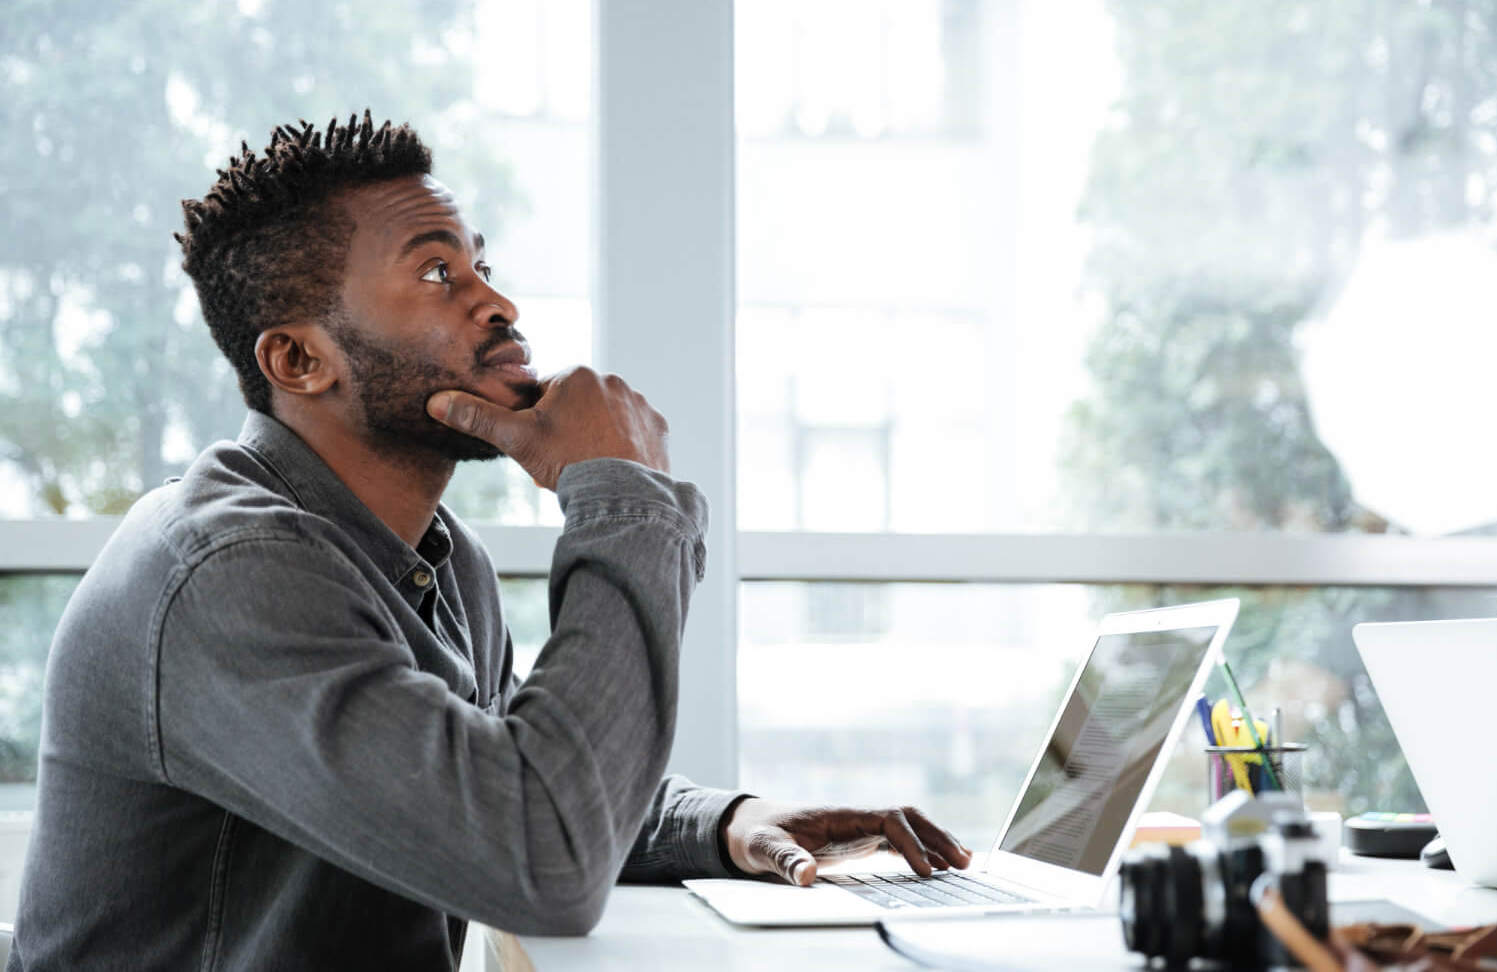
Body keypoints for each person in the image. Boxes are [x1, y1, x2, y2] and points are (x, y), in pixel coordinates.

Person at [7, 112, 969, 970]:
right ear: (299, 360)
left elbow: (491, 784)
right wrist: (620, 493)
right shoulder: (228, 572)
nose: (496, 303)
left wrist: (726, 824)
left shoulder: (435, 557)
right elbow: (534, 856)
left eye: (482, 265)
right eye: (436, 271)